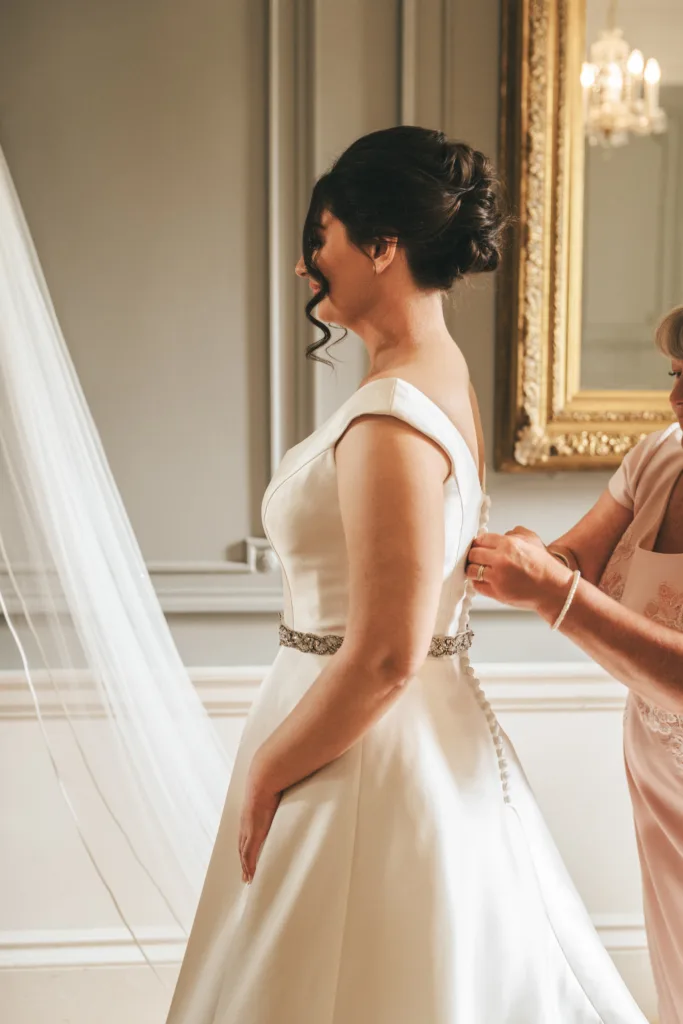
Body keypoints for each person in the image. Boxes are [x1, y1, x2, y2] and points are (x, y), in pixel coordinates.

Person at [165, 127, 646, 1023]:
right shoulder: (435, 376)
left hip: (363, 750)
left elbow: (386, 653)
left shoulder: (391, 416)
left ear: (381, 245)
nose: (312, 263)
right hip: (392, 731)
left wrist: (269, 766)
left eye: (325, 235)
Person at [467, 304, 683, 1024]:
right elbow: (577, 557)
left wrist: (552, 592)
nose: (676, 400)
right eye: (677, 375)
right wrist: (541, 558)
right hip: (661, 768)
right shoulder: (659, 458)